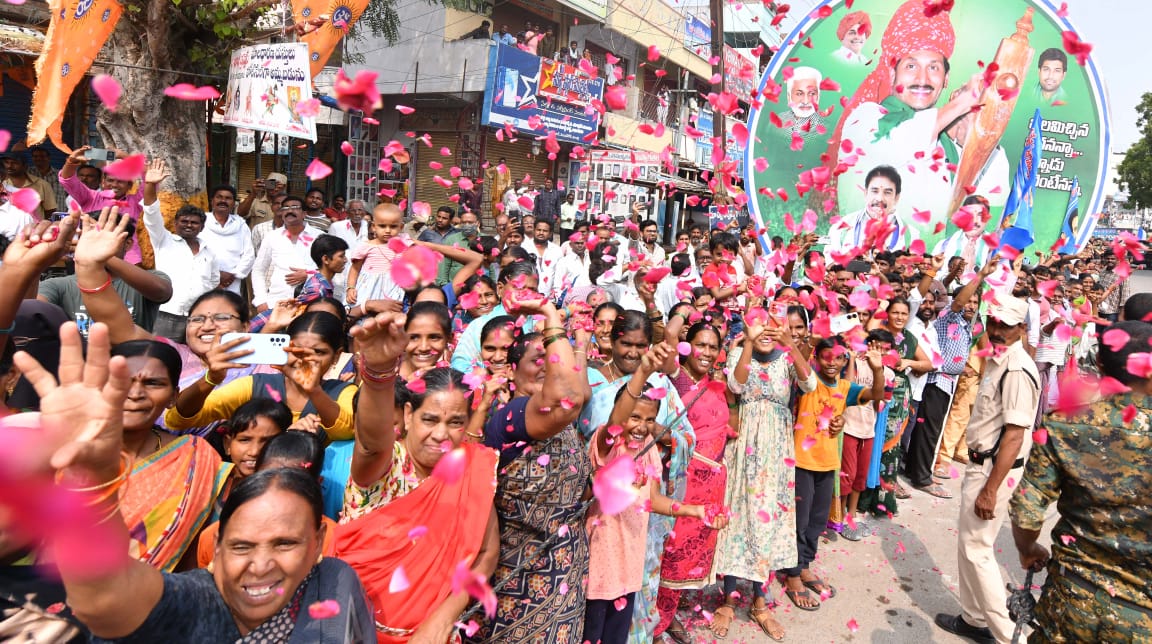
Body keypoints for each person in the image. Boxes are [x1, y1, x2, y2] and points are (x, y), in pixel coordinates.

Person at [338, 311, 500, 642]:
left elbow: (486, 554)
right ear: (409, 416)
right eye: (430, 419)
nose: (442, 434)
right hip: (354, 629)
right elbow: (370, 444)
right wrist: (379, 372)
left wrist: (443, 618)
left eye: (455, 422)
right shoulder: (388, 464)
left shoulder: (472, 469)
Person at [1009, 320, 1152, 641]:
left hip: (1071, 600)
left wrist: (1027, 548)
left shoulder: (1065, 425)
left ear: (1099, 363)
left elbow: (1026, 512)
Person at [469, 296, 591, 642]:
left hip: (565, 572)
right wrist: (552, 315)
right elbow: (567, 394)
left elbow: (576, 387)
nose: (550, 367)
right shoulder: (511, 417)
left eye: (553, 362)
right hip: (520, 579)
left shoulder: (564, 424)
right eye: (540, 360)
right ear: (513, 369)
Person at [585, 379, 723, 644]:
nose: (641, 426)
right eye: (634, 416)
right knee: (593, 634)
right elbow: (612, 429)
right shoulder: (607, 444)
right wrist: (645, 369)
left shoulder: (648, 446)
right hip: (602, 563)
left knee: (616, 635)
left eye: (649, 419)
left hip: (631, 562)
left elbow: (654, 498)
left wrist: (696, 511)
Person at [935, 295, 1039, 644]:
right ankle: (973, 617)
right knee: (969, 544)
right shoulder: (1000, 355)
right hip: (984, 465)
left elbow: (1014, 435)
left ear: (1022, 329)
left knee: (977, 549)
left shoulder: (1017, 369)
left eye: (1005, 326)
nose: (996, 330)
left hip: (994, 470)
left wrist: (990, 489)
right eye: (992, 322)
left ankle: (1009, 635)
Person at [827, 0, 981, 235]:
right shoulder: (865, 118)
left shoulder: (945, 143)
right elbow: (896, 144)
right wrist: (961, 104)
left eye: (934, 68)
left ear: (946, 78)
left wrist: (971, 137)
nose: (922, 78)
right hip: (865, 267)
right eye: (910, 66)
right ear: (892, 72)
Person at [710, 299, 815, 639]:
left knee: (767, 520)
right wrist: (748, 343)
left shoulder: (787, 359)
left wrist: (790, 344)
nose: (765, 330)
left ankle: (759, 601)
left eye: (771, 324)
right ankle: (728, 598)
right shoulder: (740, 354)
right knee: (737, 517)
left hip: (776, 453)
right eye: (757, 324)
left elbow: (810, 384)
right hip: (743, 449)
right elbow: (737, 387)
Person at [654, 322, 736, 642]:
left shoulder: (716, 382)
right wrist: (679, 315)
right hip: (685, 480)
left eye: (713, 346)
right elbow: (669, 337)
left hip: (712, 482)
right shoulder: (678, 378)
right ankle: (655, 624)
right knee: (672, 553)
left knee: (690, 556)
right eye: (700, 344)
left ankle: (669, 615)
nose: (707, 352)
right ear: (687, 347)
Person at [165, 312, 358, 440]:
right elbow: (178, 419)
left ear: (337, 356)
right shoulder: (255, 387)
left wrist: (314, 391)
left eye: (318, 352)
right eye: (296, 349)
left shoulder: (342, 392)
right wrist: (211, 378)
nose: (305, 359)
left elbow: (346, 430)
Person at [906, 262, 988, 497]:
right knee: (930, 431)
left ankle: (918, 470)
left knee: (929, 431)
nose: (970, 305)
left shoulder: (966, 326)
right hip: (937, 381)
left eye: (976, 302)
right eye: (969, 300)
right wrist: (980, 275)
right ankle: (922, 478)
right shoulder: (949, 317)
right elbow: (959, 303)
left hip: (947, 382)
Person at [38, 216, 172, 338]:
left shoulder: (148, 278)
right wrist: (32, 264)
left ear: (128, 244)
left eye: (108, 237)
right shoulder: (58, 285)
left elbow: (162, 292)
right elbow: (32, 310)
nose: (98, 242)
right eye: (92, 237)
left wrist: (102, 255)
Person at [860, 297, 933, 516]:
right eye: (895, 313)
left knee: (891, 449)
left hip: (899, 397)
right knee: (871, 445)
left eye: (904, 313)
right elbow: (869, 328)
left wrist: (908, 362)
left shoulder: (909, 339)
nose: (900, 317)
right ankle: (863, 498)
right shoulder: (878, 332)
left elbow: (928, 363)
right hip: (876, 391)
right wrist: (881, 306)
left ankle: (884, 501)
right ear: (888, 314)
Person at [140, 160, 219, 343]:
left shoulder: (209, 252)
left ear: (201, 227)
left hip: (197, 318)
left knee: (195, 362)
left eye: (194, 223)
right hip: (166, 314)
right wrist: (151, 185)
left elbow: (213, 282)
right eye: (184, 221)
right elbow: (151, 213)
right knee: (161, 357)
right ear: (175, 224)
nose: (189, 225)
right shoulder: (164, 240)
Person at [58, 146, 146, 263]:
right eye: (110, 180)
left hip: (128, 259)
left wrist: (124, 156)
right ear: (103, 182)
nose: (114, 184)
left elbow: (149, 178)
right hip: (90, 257)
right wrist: (72, 161)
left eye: (120, 181)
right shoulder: (90, 197)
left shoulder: (136, 201)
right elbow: (67, 179)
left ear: (129, 185)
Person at [251, 195, 324, 312]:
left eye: (295, 207)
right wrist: (261, 300)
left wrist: (309, 275)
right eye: (285, 208)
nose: (290, 210)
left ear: (304, 213)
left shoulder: (319, 237)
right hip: (276, 303)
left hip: (311, 304)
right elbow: (258, 269)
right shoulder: (272, 237)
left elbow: (331, 268)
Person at [826, 165, 910, 257]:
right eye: (874, 191)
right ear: (865, 193)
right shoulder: (840, 228)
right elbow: (829, 267)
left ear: (896, 198)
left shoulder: (911, 235)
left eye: (887, 192)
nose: (879, 199)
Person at [199, 185, 255, 296]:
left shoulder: (240, 225)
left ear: (234, 203)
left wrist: (233, 275)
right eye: (219, 197)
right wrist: (214, 276)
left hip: (231, 283)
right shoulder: (201, 221)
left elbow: (249, 255)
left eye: (228, 198)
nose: (223, 201)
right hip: (203, 280)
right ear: (212, 201)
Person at [345, 203, 405, 307]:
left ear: (401, 227)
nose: (387, 230)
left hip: (393, 289)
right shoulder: (367, 246)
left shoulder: (404, 246)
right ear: (373, 226)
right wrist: (350, 288)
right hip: (368, 290)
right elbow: (355, 269)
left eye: (393, 226)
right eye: (382, 226)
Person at [778, 66, 827, 145]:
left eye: (812, 93)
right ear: (789, 96)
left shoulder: (825, 128)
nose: (805, 101)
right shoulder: (779, 120)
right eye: (799, 94)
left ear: (819, 96)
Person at [2, 152, 57, 219]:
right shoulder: (2, 184)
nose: (9, 166)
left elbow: (50, 211)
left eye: (15, 163)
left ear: (25, 166)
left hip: (33, 228)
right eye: (6, 162)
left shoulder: (42, 185)